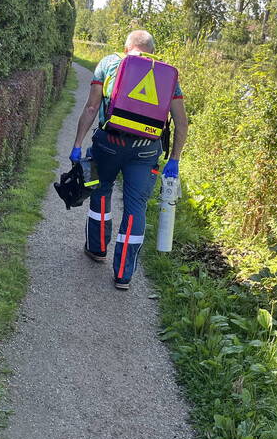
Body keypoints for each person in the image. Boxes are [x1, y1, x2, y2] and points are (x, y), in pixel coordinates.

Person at [69, 30, 188, 290]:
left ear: (127, 48)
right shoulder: (168, 76)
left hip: (109, 144)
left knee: (101, 191)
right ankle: (123, 274)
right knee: (136, 207)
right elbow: (181, 122)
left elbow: (91, 107)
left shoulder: (109, 63)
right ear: (150, 50)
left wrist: (78, 144)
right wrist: (174, 159)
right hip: (146, 151)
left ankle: (98, 248)